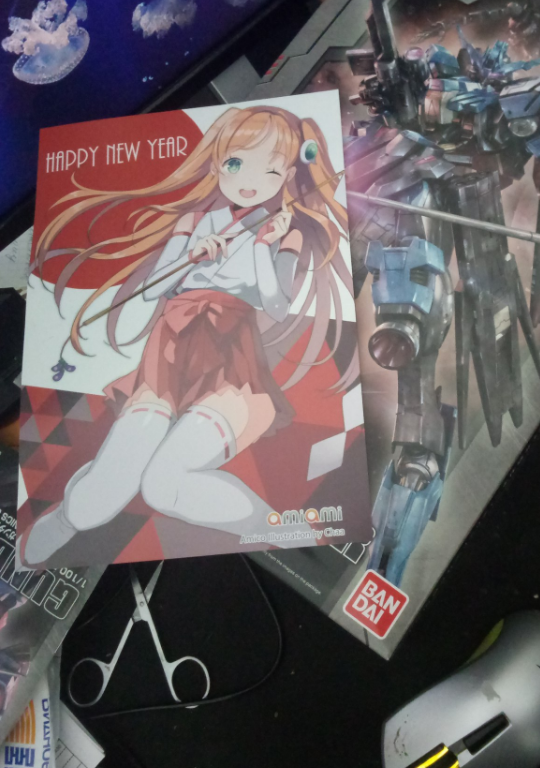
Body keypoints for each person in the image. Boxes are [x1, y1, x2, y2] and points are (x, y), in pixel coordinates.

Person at [23, 105, 355, 565]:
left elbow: (276, 305)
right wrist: (190, 257)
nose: (249, 180)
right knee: (102, 494)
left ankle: (277, 530)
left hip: (230, 359)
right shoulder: (194, 220)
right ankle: (66, 519)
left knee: (165, 483)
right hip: (169, 353)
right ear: (217, 162)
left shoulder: (285, 230)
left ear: (286, 175)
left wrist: (263, 248)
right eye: (236, 162)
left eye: (270, 169)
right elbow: (154, 288)